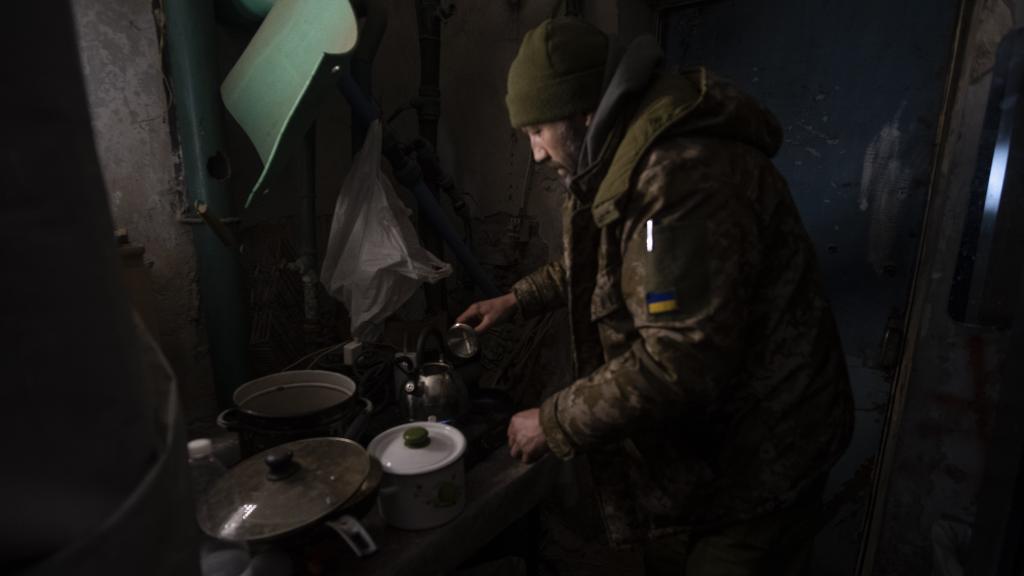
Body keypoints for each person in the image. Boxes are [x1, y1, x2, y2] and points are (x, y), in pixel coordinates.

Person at [457, 17, 854, 576]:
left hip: (761, 464)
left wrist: (552, 422)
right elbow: (603, 262)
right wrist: (515, 300)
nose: (538, 155)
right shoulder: (622, 162)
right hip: (701, 460)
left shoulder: (677, 183)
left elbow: (678, 362)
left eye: (537, 132)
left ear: (583, 113)